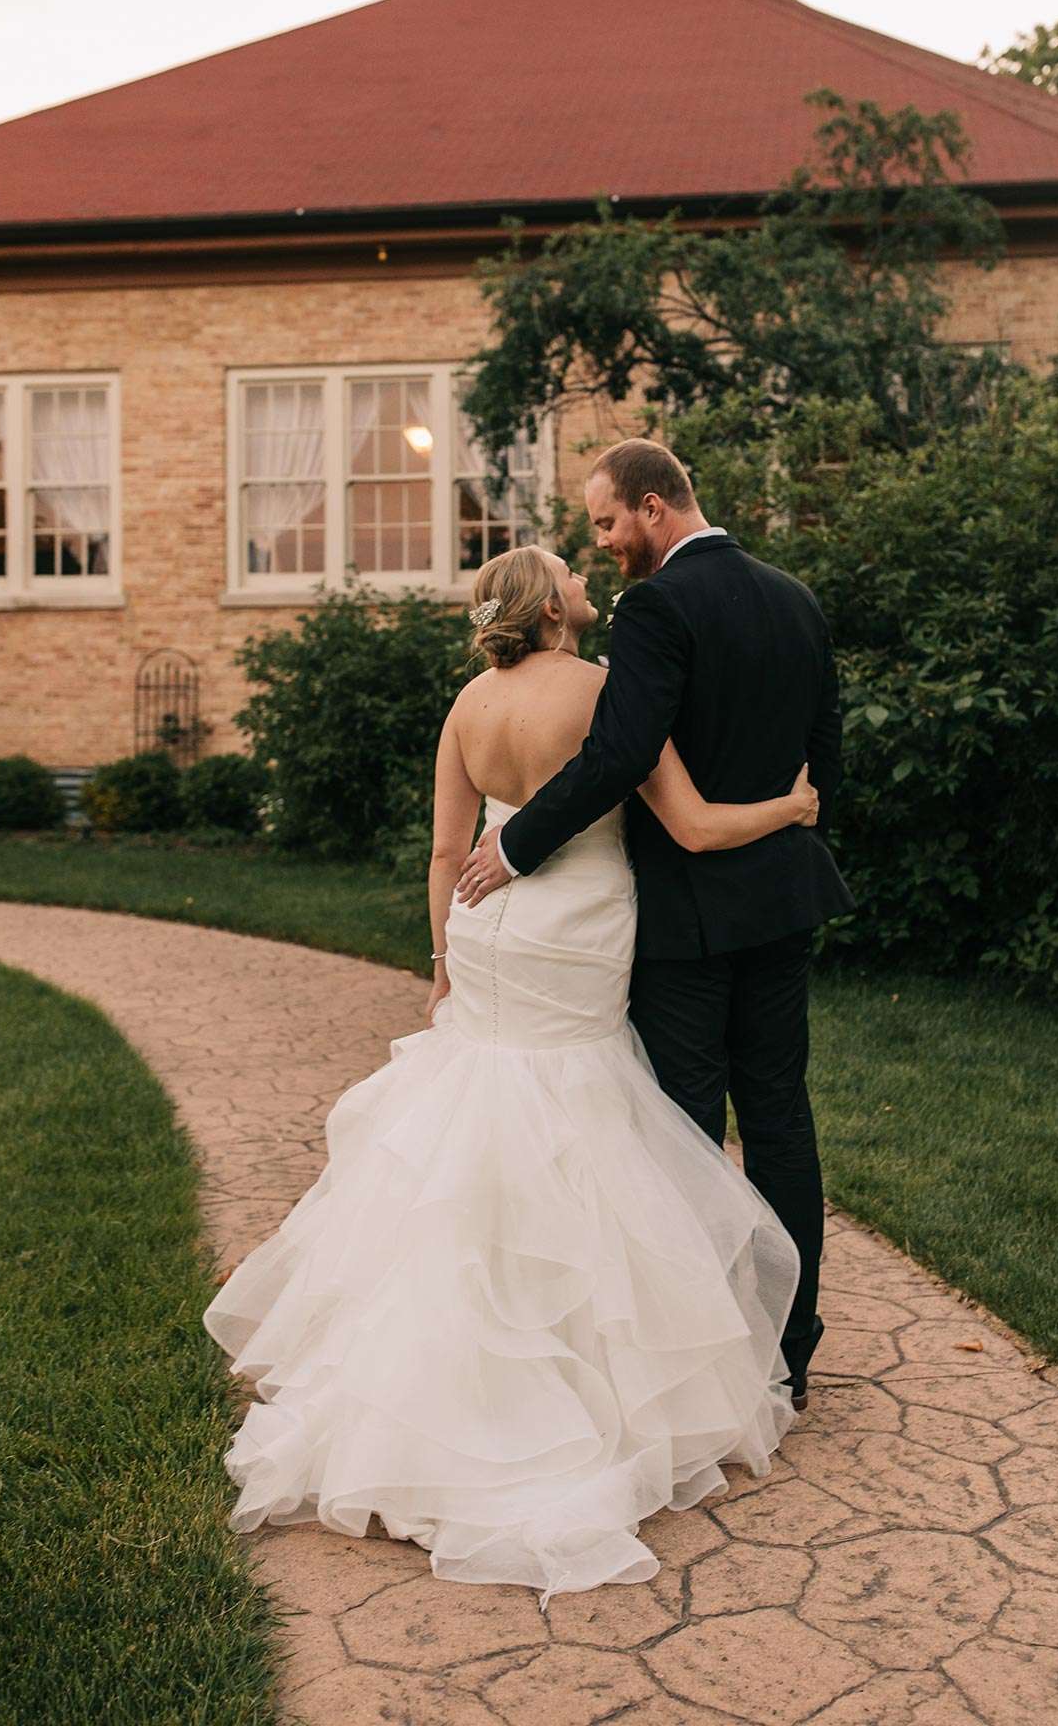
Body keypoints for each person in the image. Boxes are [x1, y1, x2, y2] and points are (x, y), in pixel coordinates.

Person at [203, 538, 822, 1607]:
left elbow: (446, 853)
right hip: (575, 928)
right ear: (549, 609)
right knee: (579, 1108)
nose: (587, 578)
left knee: (483, 1110)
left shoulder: (468, 704)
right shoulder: (605, 688)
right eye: (570, 574)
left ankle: (440, 1368)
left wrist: (443, 959)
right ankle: (586, 1378)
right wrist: (793, 808)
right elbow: (688, 824)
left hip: (487, 931)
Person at [456, 439, 854, 1410]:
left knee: (683, 1132)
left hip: (684, 920)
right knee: (780, 1119)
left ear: (651, 507)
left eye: (606, 522)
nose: (602, 543)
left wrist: (515, 845)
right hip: (782, 899)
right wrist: (792, 823)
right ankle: (791, 1350)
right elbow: (825, 757)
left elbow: (619, 752)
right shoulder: (795, 598)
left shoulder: (655, 608)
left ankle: (705, 1359)